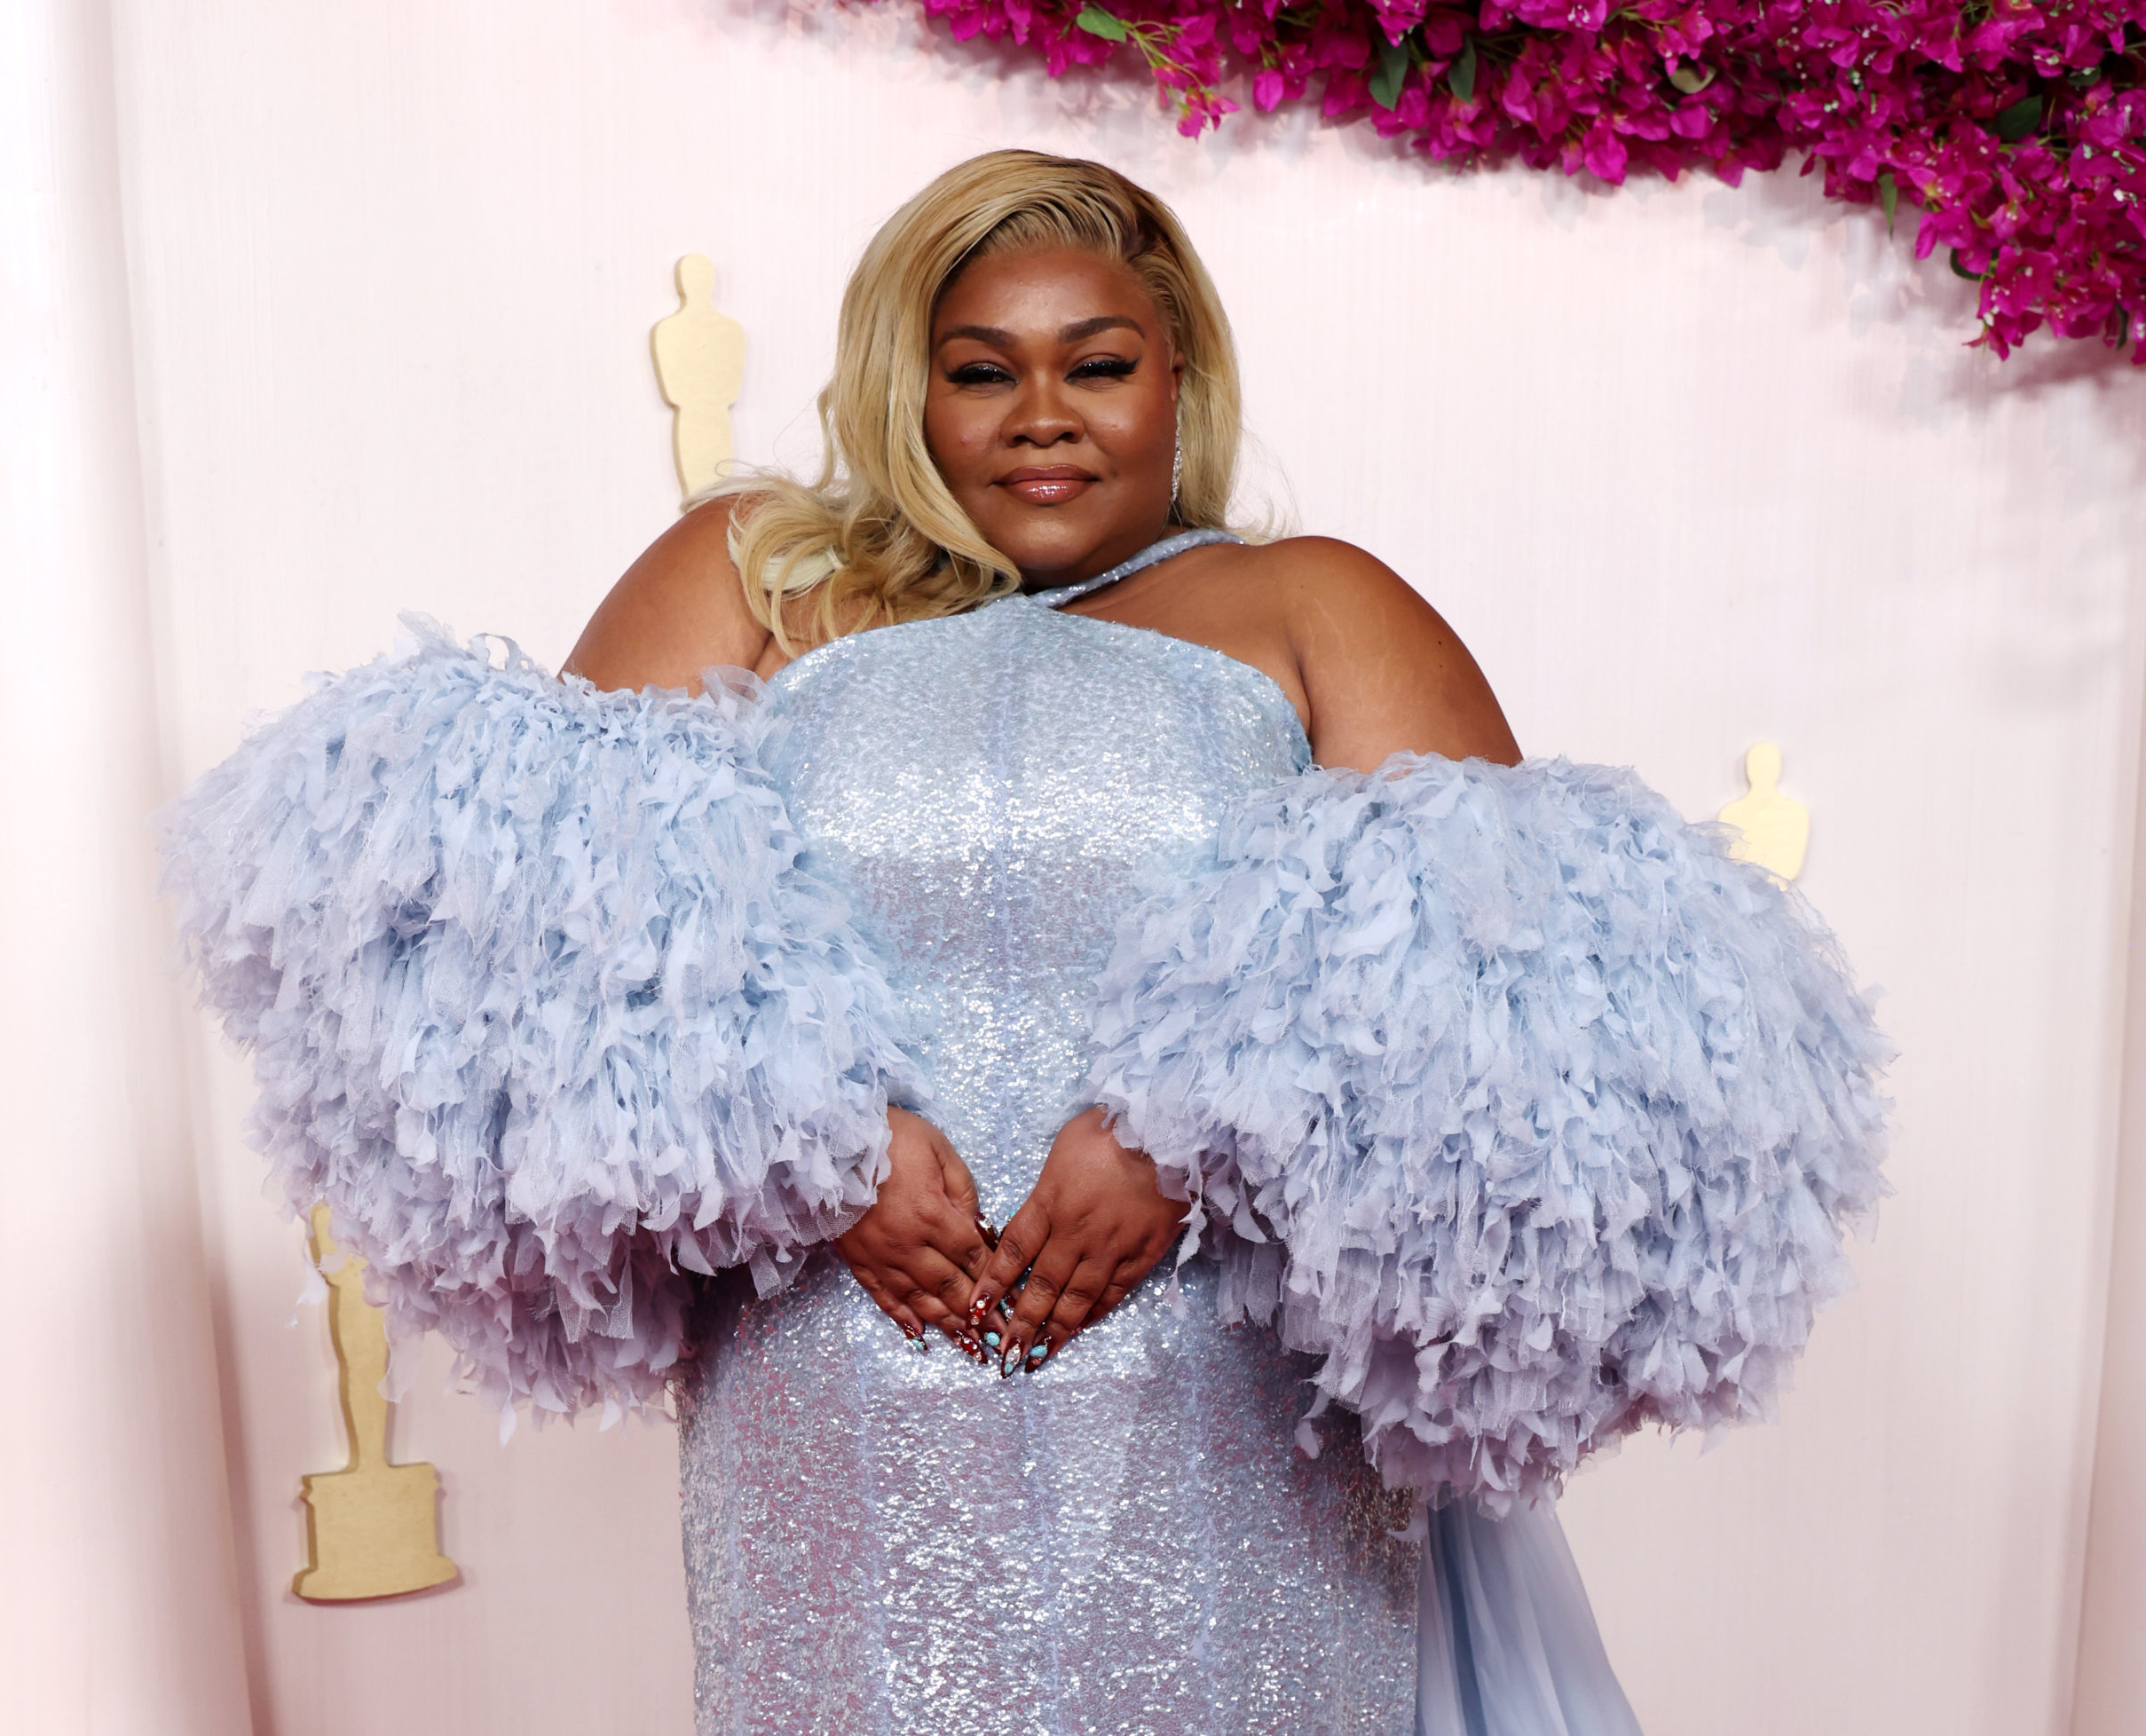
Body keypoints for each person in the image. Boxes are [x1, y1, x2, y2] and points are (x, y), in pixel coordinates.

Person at [166, 151, 1891, 1735]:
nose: (1042, 417)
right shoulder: (759, 580)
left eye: (1099, 363)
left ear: (1178, 380)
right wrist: (804, 1134)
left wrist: (1195, 1134)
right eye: (981, 369)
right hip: (832, 1424)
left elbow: (1529, 1023)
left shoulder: (1310, 605)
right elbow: (521, 947)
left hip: (1223, 1432)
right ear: (906, 391)